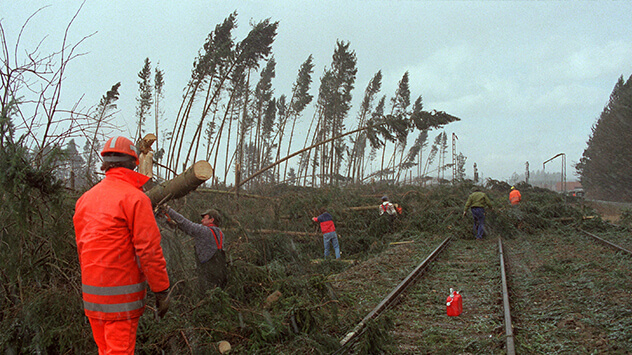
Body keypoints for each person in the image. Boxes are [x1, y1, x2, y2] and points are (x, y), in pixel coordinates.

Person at [73, 136, 170, 354]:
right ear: (134, 163)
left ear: (106, 163)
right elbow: (149, 251)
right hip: (121, 301)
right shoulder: (135, 199)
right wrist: (162, 291)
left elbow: (82, 247)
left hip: (92, 300)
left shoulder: (85, 199)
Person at [162, 206, 228, 290]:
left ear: (212, 220)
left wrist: (169, 210)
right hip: (220, 270)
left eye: (204, 218)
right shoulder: (220, 233)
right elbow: (187, 228)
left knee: (206, 293)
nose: (202, 220)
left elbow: (186, 224)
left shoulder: (205, 231)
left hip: (208, 271)